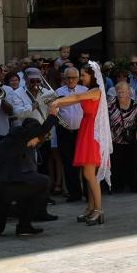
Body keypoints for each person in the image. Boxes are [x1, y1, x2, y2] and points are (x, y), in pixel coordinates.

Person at [49, 62, 112, 225]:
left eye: (83, 75)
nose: (81, 78)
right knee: (88, 173)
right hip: (86, 130)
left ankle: (98, 210)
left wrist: (57, 103)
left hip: (92, 133)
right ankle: (91, 208)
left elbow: (77, 97)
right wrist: (57, 102)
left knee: (90, 175)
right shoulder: (90, 91)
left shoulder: (96, 91)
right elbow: (73, 101)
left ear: (92, 76)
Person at [55, 67, 88, 202]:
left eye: (73, 77)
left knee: (85, 163)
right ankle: (75, 194)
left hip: (82, 132)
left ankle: (88, 193)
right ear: (64, 78)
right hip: (65, 132)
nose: (71, 80)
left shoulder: (85, 91)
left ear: (78, 78)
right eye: (68, 78)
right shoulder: (58, 92)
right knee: (69, 163)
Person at [107, 81, 137, 193]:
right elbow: (105, 119)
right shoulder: (110, 104)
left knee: (132, 162)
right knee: (116, 163)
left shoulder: (135, 104)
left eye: (124, 91)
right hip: (115, 138)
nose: (121, 93)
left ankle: (133, 185)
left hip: (131, 137)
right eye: (119, 91)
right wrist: (108, 133)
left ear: (129, 92)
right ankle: (117, 186)